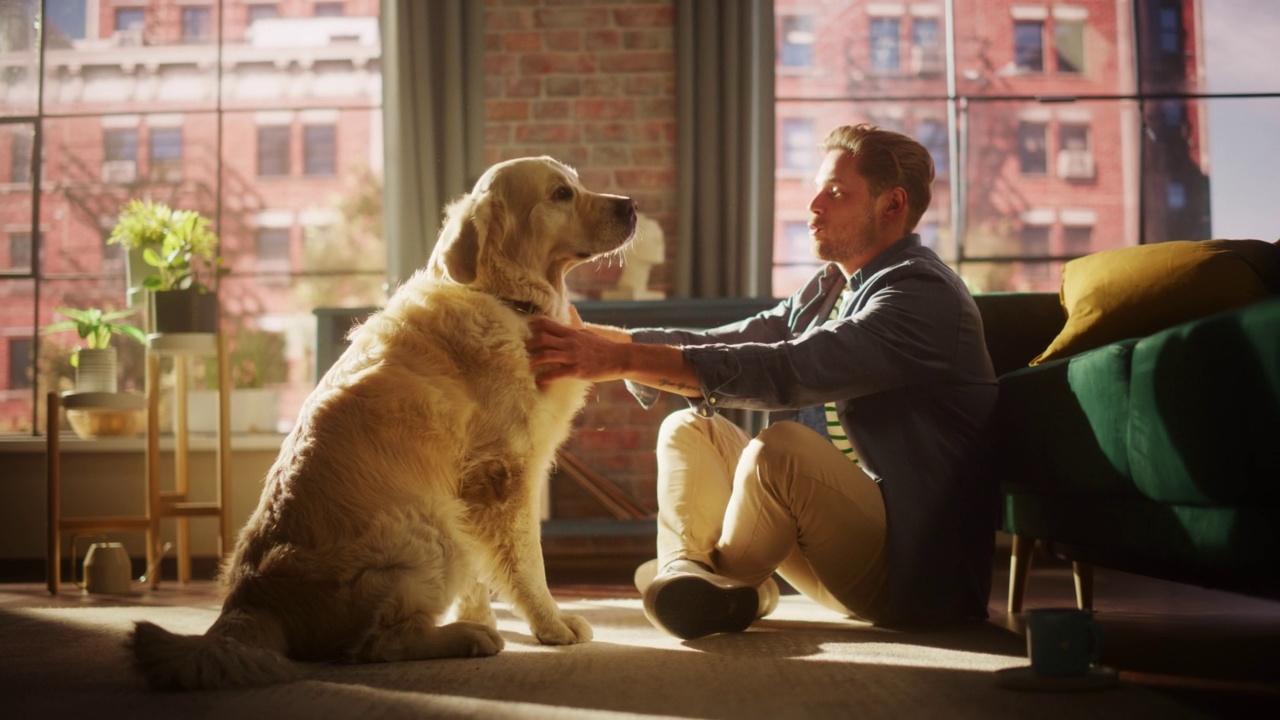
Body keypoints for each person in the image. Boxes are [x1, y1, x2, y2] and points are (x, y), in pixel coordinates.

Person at [526, 124, 999, 638]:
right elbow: (730, 338)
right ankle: (693, 577)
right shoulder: (831, 285)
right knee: (690, 427)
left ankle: (712, 582)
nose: (813, 204)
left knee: (782, 449)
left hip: (913, 580)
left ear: (892, 205)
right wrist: (597, 339)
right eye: (818, 188)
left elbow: (788, 370)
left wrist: (616, 360)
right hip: (831, 558)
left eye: (836, 192)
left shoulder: (922, 296)